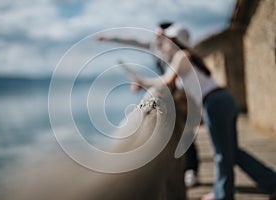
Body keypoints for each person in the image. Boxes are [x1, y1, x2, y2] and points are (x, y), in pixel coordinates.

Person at [129, 25, 276, 200]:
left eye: (167, 40)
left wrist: (142, 81)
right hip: (223, 100)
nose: (163, 44)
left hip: (215, 104)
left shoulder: (180, 56)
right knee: (231, 151)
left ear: (174, 41)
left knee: (223, 153)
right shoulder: (189, 56)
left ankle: (223, 195)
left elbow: (167, 82)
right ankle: (271, 182)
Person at [97, 22, 200, 187]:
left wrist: (145, 83)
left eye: (161, 34)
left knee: (185, 132)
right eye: (157, 35)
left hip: (180, 93)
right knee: (179, 131)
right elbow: (133, 41)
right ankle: (185, 168)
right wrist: (109, 38)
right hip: (170, 90)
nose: (157, 37)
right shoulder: (156, 46)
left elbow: (169, 79)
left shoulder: (177, 52)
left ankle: (191, 169)